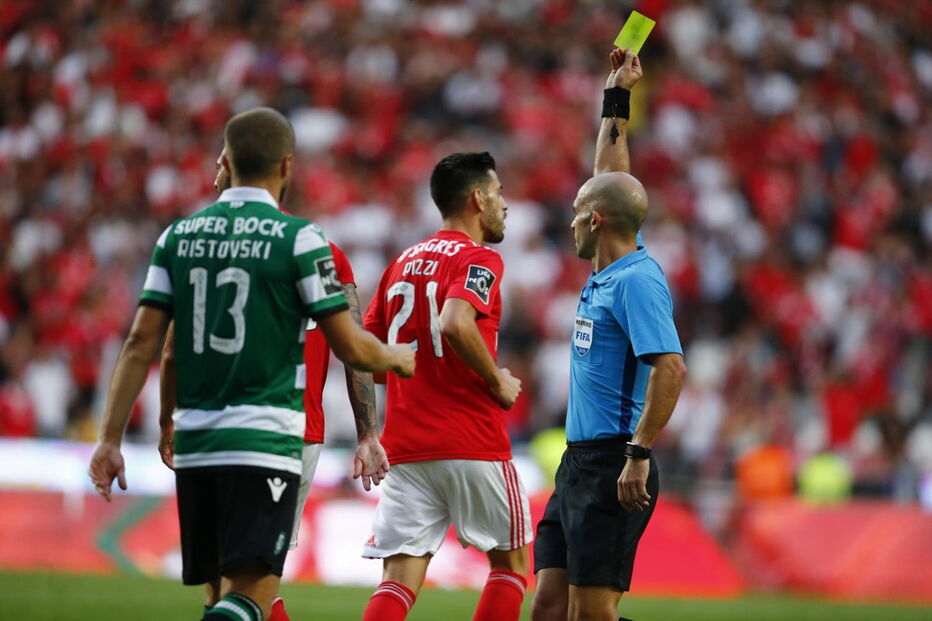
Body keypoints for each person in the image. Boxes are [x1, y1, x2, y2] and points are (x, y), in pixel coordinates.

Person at [86, 107, 414, 621]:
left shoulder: (178, 238)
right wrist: (396, 356)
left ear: (226, 162)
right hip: (271, 435)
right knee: (252, 594)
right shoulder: (304, 242)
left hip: (199, 436)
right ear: (286, 166)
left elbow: (149, 346)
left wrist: (119, 436)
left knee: (217, 589)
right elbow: (351, 347)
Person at [156, 148, 387, 621]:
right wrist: (368, 432)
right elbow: (354, 347)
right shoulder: (321, 250)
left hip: (227, 427)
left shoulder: (197, 244)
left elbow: (169, 349)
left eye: (220, 165)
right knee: (238, 580)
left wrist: (168, 419)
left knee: (239, 581)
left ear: (240, 171)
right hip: (291, 432)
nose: (213, 175)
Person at [531, 50, 687, 621]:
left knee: (592, 614)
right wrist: (616, 96)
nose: (571, 219)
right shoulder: (608, 268)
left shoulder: (636, 282)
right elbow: (608, 179)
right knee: (548, 606)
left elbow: (671, 366)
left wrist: (638, 454)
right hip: (576, 463)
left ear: (595, 221)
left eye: (578, 212)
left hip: (614, 463)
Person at [360, 152, 531, 621]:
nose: (504, 205)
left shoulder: (401, 263)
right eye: (498, 193)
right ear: (478, 198)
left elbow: (365, 355)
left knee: (398, 580)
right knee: (511, 566)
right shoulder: (480, 258)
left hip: (407, 447)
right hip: (471, 439)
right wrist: (495, 378)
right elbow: (454, 322)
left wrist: (414, 378)